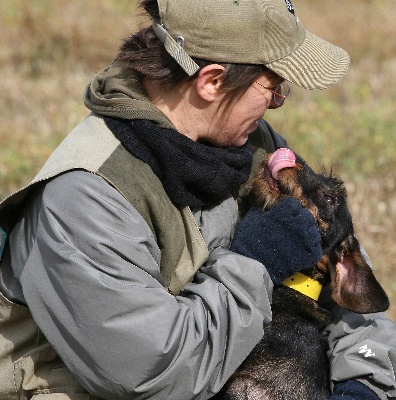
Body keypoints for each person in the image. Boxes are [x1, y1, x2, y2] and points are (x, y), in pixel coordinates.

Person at [0, 0, 395, 399]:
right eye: (274, 88)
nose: (277, 103)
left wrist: (362, 382)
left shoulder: (250, 145)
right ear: (211, 82)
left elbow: (338, 264)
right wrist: (254, 263)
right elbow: (157, 374)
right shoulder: (86, 198)